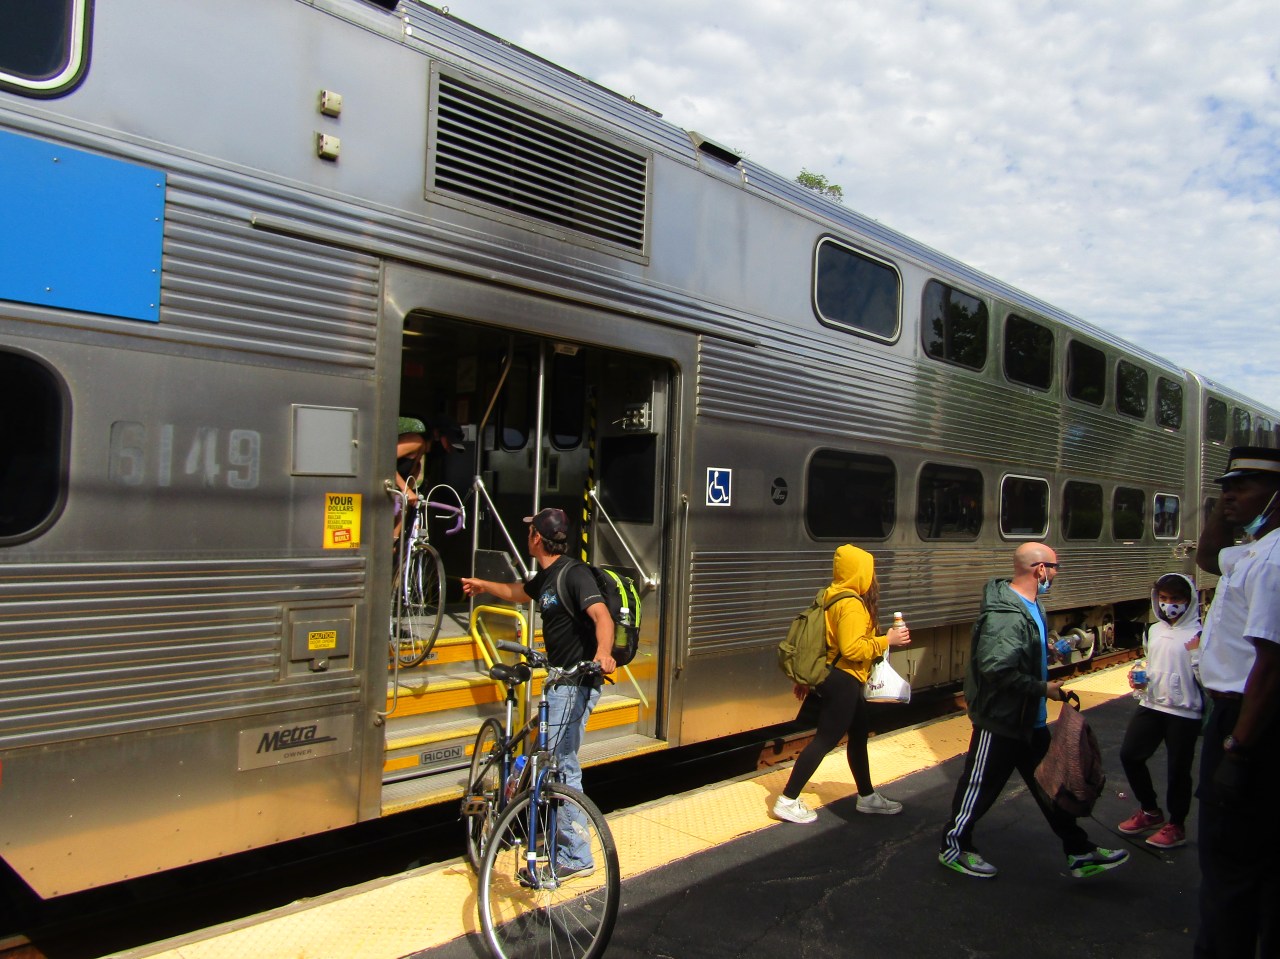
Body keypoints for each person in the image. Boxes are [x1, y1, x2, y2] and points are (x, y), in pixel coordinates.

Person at [938, 542, 1129, 879]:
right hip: (1001, 719)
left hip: (1030, 719)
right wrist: (1044, 688)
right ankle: (954, 847)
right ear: (1040, 569)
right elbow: (995, 669)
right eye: (1054, 567)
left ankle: (1079, 851)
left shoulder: (1032, 608)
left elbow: (1023, 654)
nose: (1056, 573)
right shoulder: (1005, 617)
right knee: (979, 786)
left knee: (1050, 786)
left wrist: (1049, 651)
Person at [461, 507, 616, 878]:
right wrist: (484, 586)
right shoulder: (546, 577)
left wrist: (603, 654)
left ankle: (576, 857)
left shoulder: (574, 574)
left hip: (575, 683)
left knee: (562, 767)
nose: (527, 535)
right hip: (556, 681)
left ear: (537, 539)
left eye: (530, 531)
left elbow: (602, 617)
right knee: (545, 761)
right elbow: (519, 592)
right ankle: (550, 833)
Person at [1192, 445, 1280, 959]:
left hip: (1248, 721)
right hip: (1240, 715)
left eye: (1241, 488)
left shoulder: (1271, 560)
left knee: (1229, 868)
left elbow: (1272, 667)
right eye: (1226, 486)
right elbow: (1207, 558)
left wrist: (1237, 751)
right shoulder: (1251, 551)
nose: (1229, 496)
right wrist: (1217, 512)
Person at [772, 544, 912, 824]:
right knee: (825, 738)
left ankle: (867, 796)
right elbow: (852, 649)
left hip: (835, 676)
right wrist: (888, 641)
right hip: (843, 679)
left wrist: (809, 681)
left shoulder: (831, 594)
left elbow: (825, 643)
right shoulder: (850, 604)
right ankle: (787, 799)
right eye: (869, 571)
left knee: (859, 734)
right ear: (859, 573)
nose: (873, 577)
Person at [1116, 572, 1203, 850]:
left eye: (1176, 599)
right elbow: (1152, 664)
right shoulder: (1153, 630)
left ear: (1188, 601)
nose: (1169, 605)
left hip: (1184, 712)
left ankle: (1176, 825)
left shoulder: (1200, 634)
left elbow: (1209, 678)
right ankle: (1150, 811)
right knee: (1130, 755)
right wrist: (1139, 679)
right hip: (1151, 704)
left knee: (1178, 769)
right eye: (1163, 599)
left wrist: (1197, 654)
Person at [393, 417, 429, 543]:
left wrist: (395, 538)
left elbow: (406, 501)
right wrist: (406, 489)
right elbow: (385, 461)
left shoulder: (417, 466)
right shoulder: (417, 441)